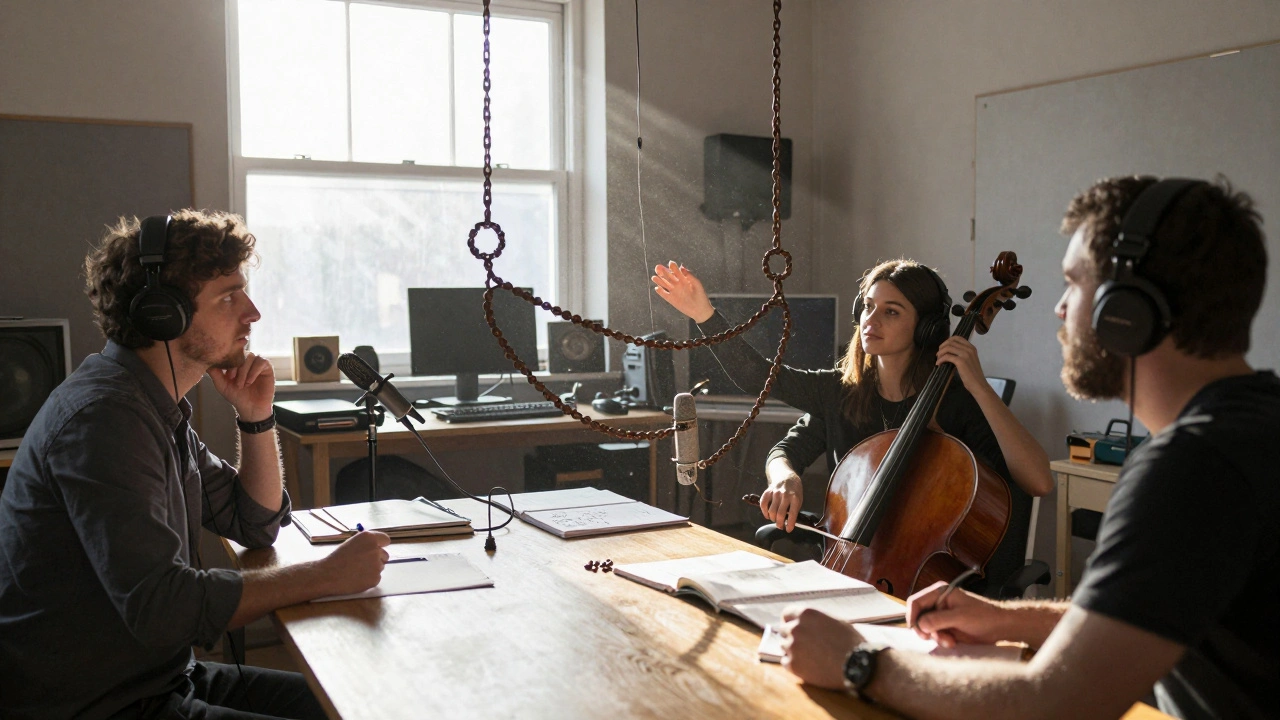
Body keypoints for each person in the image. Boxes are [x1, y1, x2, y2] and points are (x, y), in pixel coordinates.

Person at [780, 176, 1277, 720]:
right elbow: (1141, 617)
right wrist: (1006, 618)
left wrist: (859, 662)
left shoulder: (1193, 469)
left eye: (1074, 284)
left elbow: (1054, 701)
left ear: (1126, 309)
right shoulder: (1251, 430)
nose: (1061, 310)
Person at [0, 211, 391, 720]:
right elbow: (163, 609)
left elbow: (255, 522)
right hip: (97, 705)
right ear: (163, 315)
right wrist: (325, 575)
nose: (252, 313)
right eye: (229, 297)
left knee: (361, 706)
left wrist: (255, 418)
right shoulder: (103, 421)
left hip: (158, 680)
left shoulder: (152, 407)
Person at [653, 258, 1054, 594]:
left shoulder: (953, 404)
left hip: (929, 592)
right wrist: (785, 478)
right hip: (849, 568)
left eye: (891, 311)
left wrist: (979, 387)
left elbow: (1039, 482)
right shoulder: (842, 392)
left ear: (928, 328)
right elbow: (763, 393)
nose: (871, 320)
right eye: (868, 307)